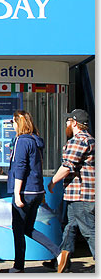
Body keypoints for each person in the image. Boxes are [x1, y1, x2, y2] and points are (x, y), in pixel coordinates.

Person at [0, 110, 61, 273]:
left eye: (13, 122)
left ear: (18, 123)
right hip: (36, 191)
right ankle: (58, 253)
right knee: (28, 228)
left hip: (24, 191)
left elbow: (20, 168)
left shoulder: (21, 141)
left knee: (18, 229)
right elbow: (36, 167)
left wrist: (17, 194)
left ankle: (18, 266)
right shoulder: (36, 141)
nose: (12, 125)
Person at [47, 109, 95, 273]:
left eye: (68, 121)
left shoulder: (78, 141)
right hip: (80, 195)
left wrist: (52, 182)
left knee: (89, 231)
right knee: (69, 228)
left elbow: (67, 166)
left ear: (74, 123)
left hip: (81, 195)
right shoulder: (91, 140)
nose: (66, 125)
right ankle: (61, 261)